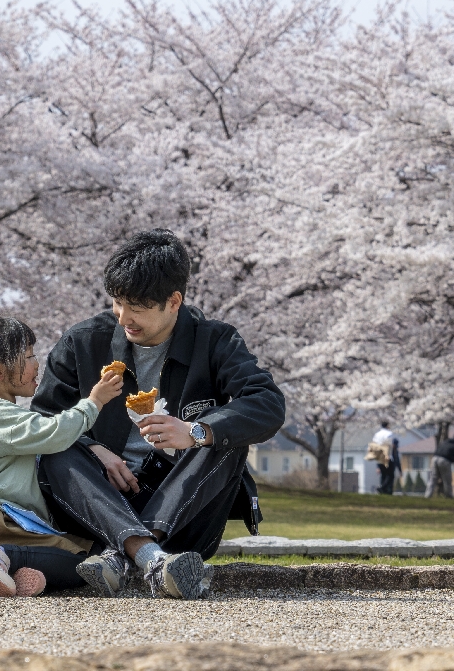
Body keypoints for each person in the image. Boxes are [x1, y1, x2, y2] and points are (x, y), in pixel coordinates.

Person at [33, 229, 286, 600]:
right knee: (56, 447)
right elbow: (42, 417)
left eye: (137, 308)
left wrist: (197, 431)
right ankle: (153, 560)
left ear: (174, 301)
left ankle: (129, 552)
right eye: (118, 303)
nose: (124, 318)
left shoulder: (215, 341)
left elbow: (268, 402)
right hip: (100, 503)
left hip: (182, 514)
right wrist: (90, 447)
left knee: (225, 437)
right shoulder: (84, 341)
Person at [0, 315, 125, 597]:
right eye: (28, 357)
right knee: (88, 559)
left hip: (0, 521)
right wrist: (95, 402)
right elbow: (54, 433)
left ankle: (15, 572)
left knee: (85, 558)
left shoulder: (3, 413)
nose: (37, 363)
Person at [371, 421, 399, 495]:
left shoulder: (377, 434)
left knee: (383, 475)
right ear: (387, 426)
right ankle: (383, 488)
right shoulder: (389, 434)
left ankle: (383, 491)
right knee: (390, 475)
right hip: (387, 456)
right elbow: (389, 444)